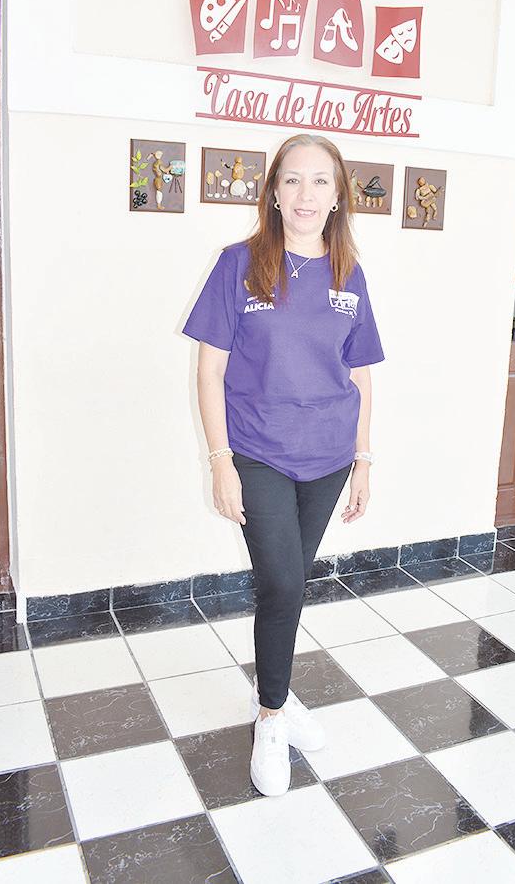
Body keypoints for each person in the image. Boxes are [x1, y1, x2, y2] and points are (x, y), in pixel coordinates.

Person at [182, 133, 385, 796]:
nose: (305, 194)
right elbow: (209, 372)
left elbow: (361, 374)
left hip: (329, 456)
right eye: (293, 179)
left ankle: (275, 691)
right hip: (259, 451)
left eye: (321, 181)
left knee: (288, 585)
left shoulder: (349, 273)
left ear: (338, 196)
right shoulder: (238, 264)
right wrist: (220, 460)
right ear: (273, 191)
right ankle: (271, 716)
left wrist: (363, 458)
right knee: (283, 583)